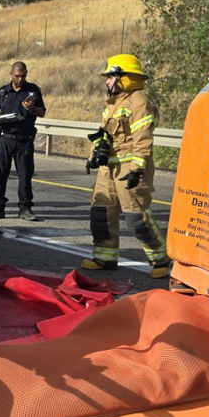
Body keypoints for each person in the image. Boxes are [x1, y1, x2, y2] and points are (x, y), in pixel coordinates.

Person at [83, 53, 170, 279]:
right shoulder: (113, 103)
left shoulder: (139, 102)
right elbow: (105, 135)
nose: (107, 81)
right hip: (108, 168)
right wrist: (94, 153)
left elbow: (143, 138)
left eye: (110, 77)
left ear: (124, 78)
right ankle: (105, 257)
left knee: (136, 217)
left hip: (128, 167)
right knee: (101, 213)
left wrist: (137, 169)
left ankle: (161, 259)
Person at [0, 61, 47, 221]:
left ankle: (25, 208)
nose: (20, 79)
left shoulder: (33, 91)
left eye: (23, 76)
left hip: (24, 140)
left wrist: (32, 109)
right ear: (11, 74)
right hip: (5, 138)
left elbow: (42, 112)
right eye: (17, 76)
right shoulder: (3, 92)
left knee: (25, 176)